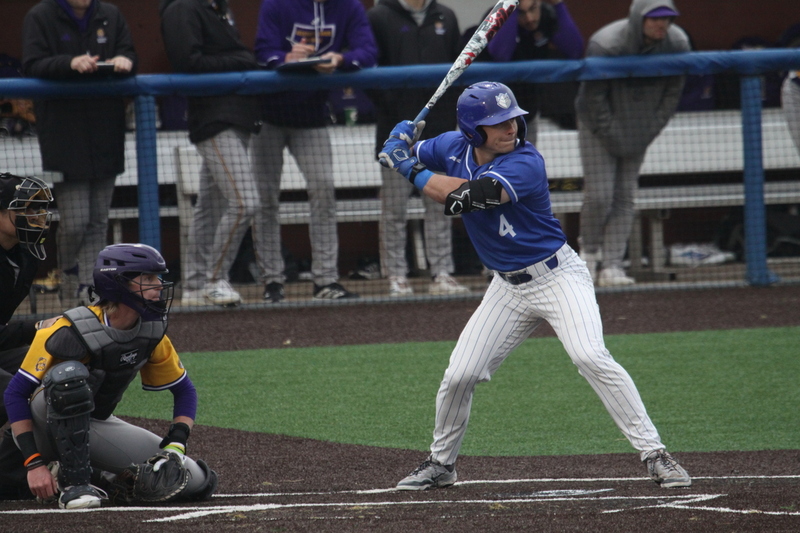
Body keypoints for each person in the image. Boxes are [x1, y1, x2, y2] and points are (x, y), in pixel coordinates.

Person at [378, 81, 691, 491]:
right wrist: (399, 139)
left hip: (558, 277)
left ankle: (655, 454)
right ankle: (441, 464)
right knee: (460, 375)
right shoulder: (451, 146)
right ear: (474, 131)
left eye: (513, 119)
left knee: (590, 355)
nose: (512, 128)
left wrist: (405, 164)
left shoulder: (525, 163)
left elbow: (461, 200)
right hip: (507, 287)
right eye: (499, 123)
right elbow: (402, 150)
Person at [1, 243, 218, 508]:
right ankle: (74, 484)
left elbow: (185, 390)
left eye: (158, 277)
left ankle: (102, 477)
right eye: (148, 278)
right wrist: (33, 463)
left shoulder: (150, 331)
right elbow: (15, 393)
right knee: (69, 378)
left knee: (190, 480)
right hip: (43, 426)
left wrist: (176, 443)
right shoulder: (65, 330)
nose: (159, 285)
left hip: (95, 423)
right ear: (118, 284)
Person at [251, 0, 378, 302]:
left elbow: (368, 52)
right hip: (268, 114)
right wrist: (287, 57)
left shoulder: (348, 7)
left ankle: (325, 281)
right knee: (265, 199)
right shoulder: (277, 4)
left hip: (312, 115)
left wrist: (339, 59)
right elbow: (262, 52)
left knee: (323, 190)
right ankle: (272, 281)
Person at [22, 0, 137, 309]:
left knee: (98, 218)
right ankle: (69, 272)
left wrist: (124, 60)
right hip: (64, 134)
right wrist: (69, 63)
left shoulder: (110, 14)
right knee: (76, 221)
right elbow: (32, 65)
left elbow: (130, 54)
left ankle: (90, 285)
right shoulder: (41, 15)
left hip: (106, 129)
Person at [574, 0, 689, 286]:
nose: (661, 24)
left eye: (667, 18)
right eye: (654, 18)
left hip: (640, 127)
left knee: (625, 195)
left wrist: (647, 131)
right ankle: (587, 256)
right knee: (600, 195)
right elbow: (594, 98)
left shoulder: (678, 44)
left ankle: (612, 265)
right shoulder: (606, 44)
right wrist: (614, 134)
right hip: (598, 127)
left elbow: (672, 96)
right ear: (639, 19)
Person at [160, 0, 263, 308]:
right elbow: (187, 61)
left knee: (211, 207)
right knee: (246, 202)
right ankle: (214, 278)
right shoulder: (182, 7)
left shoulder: (219, 7)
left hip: (236, 117)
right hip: (213, 119)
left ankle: (193, 286)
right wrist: (241, 59)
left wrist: (238, 58)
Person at [367, 0, 470, 297]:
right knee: (394, 210)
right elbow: (370, 72)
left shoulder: (445, 16)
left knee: (440, 204)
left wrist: (448, 113)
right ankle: (396, 276)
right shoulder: (378, 16)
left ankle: (442, 273)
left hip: (438, 132)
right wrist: (393, 107)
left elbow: (456, 73)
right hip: (395, 133)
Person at [0, 174, 58, 431]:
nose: (37, 215)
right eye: (26, 208)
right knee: (9, 393)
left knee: (59, 371)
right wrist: (38, 327)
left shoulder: (26, 253)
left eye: (39, 208)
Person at [484, 0, 584, 144]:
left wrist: (559, 5)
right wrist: (511, 9)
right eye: (522, 13)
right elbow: (501, 55)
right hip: (495, 115)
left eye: (533, 9)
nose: (530, 18)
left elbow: (575, 50)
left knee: (525, 163)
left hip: (527, 111)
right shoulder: (497, 17)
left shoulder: (546, 16)